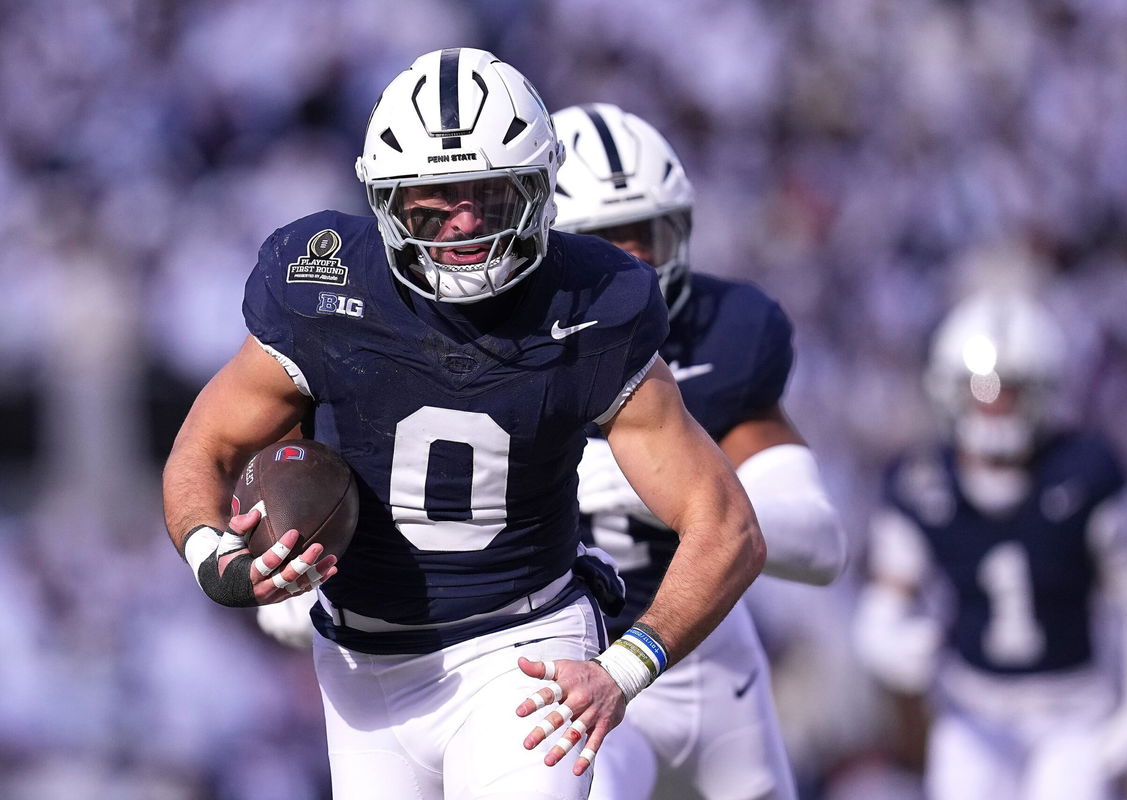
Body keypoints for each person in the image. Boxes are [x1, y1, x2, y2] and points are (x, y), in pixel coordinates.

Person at [162, 48, 767, 800]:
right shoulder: (323, 285)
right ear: (386, 199)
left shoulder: (593, 303)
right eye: (435, 196)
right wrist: (211, 556)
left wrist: (628, 664)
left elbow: (726, 526)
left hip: (525, 647)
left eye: (492, 193)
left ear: (541, 191)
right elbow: (207, 445)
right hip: (361, 669)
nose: (464, 221)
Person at [550, 102, 847, 800]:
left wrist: (677, 495)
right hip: (568, 661)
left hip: (705, 653)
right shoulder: (499, 354)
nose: (638, 264)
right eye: (605, 241)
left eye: (647, 235)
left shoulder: (723, 337)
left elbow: (820, 542)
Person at [853, 289, 1127, 800]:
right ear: (948, 390)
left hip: (1071, 711)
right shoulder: (921, 482)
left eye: (1009, 390)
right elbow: (886, 601)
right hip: (972, 710)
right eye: (980, 389)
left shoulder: (1084, 473)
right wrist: (888, 639)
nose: (994, 405)